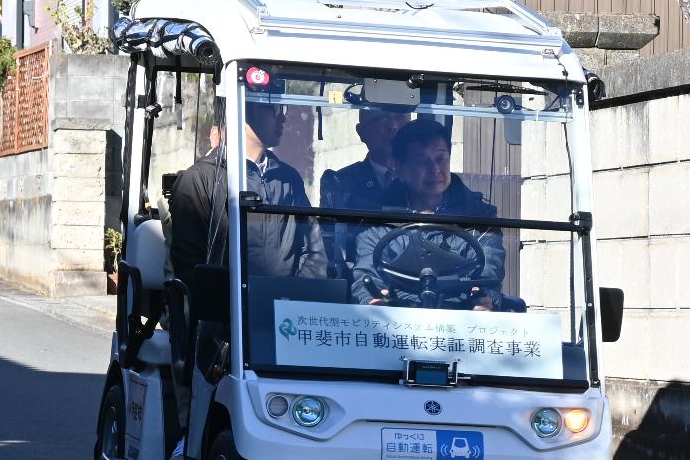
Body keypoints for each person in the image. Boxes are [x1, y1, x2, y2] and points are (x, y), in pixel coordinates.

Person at [168, 96, 326, 284]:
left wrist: (296, 296)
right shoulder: (199, 179)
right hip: (226, 307)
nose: (283, 118)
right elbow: (188, 264)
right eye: (274, 109)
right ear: (241, 115)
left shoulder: (288, 179)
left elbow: (313, 249)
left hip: (284, 306)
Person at [351, 117, 506, 308]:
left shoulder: (480, 217)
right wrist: (373, 300)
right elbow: (367, 277)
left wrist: (485, 298)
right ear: (399, 169)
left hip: (461, 318)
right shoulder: (378, 220)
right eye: (422, 162)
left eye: (441, 159)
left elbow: (489, 272)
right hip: (398, 320)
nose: (435, 170)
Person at [318, 107, 408, 273]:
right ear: (361, 131)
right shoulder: (339, 184)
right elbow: (331, 246)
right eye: (381, 118)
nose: (393, 126)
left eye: (401, 116)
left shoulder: (424, 182)